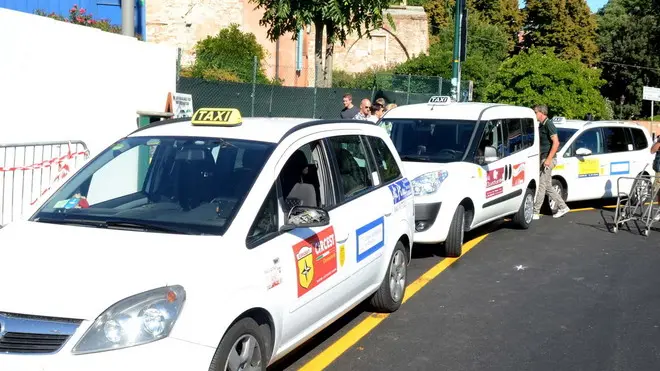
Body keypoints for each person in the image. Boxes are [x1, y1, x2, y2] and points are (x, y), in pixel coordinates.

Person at [532, 104, 570, 219]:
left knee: (542, 185)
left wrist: (548, 160)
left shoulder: (549, 125)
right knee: (548, 185)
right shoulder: (541, 125)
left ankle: (535, 211)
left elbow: (556, 143)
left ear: (542, 113)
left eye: (535, 112)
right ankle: (563, 207)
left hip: (548, 159)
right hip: (543, 158)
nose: (534, 114)